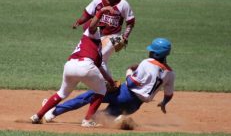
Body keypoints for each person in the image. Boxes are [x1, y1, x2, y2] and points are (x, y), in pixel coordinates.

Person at [43, 38, 175, 126]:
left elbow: (131, 83)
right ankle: (119, 120)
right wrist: (164, 103)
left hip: (124, 94)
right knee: (100, 117)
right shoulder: (170, 73)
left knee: (89, 96)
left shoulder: (147, 63)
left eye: (151, 51)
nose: (149, 52)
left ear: (156, 54)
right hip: (133, 106)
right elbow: (168, 94)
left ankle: (53, 112)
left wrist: (128, 71)